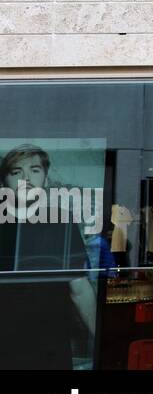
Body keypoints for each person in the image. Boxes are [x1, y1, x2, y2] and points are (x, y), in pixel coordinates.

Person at [0, 145, 96, 370]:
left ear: (44, 177)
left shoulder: (60, 222)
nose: (26, 179)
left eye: (34, 170)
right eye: (17, 172)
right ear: (5, 181)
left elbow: (79, 288)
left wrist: (102, 339)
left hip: (49, 346)